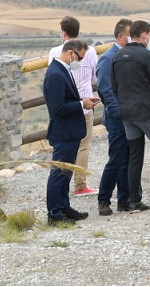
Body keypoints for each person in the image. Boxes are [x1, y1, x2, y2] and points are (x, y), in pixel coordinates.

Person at [112, 20, 150, 212]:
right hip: (146, 111)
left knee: (135, 156)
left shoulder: (118, 56)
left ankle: (134, 201)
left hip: (126, 113)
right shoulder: (147, 55)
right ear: (145, 35)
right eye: (149, 34)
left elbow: (114, 87)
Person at [43, 40, 98, 225]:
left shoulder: (62, 70)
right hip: (63, 132)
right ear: (71, 53)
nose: (80, 62)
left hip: (69, 132)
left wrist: (82, 100)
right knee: (59, 173)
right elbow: (58, 107)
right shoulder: (56, 74)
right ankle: (55, 214)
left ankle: (64, 207)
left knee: (66, 172)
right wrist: (82, 104)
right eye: (80, 58)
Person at [95, 19, 132, 216]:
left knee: (127, 158)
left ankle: (124, 199)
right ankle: (104, 199)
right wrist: (116, 110)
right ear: (120, 36)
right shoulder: (108, 58)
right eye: (129, 34)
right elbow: (104, 88)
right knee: (116, 158)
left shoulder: (127, 56)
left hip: (129, 115)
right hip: (117, 117)